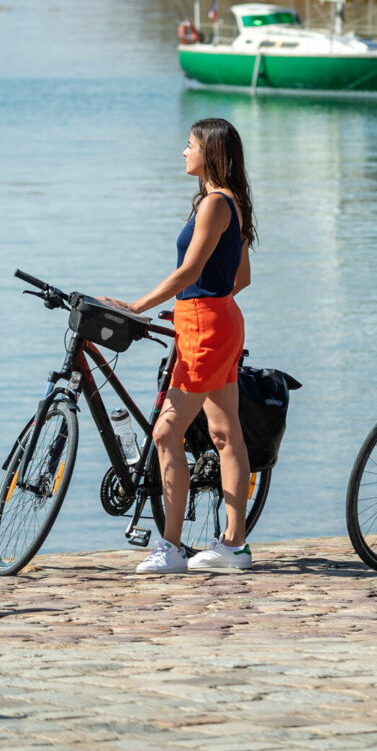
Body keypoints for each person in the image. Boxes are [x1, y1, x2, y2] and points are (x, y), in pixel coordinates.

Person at [102, 117, 256, 576]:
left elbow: (189, 272)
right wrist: (202, 305)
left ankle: (170, 548)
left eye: (189, 145)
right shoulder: (232, 202)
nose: (182, 152)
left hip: (207, 326)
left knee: (166, 433)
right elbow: (239, 278)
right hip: (219, 319)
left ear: (209, 152)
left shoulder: (213, 204)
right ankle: (234, 545)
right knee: (226, 435)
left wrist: (136, 306)